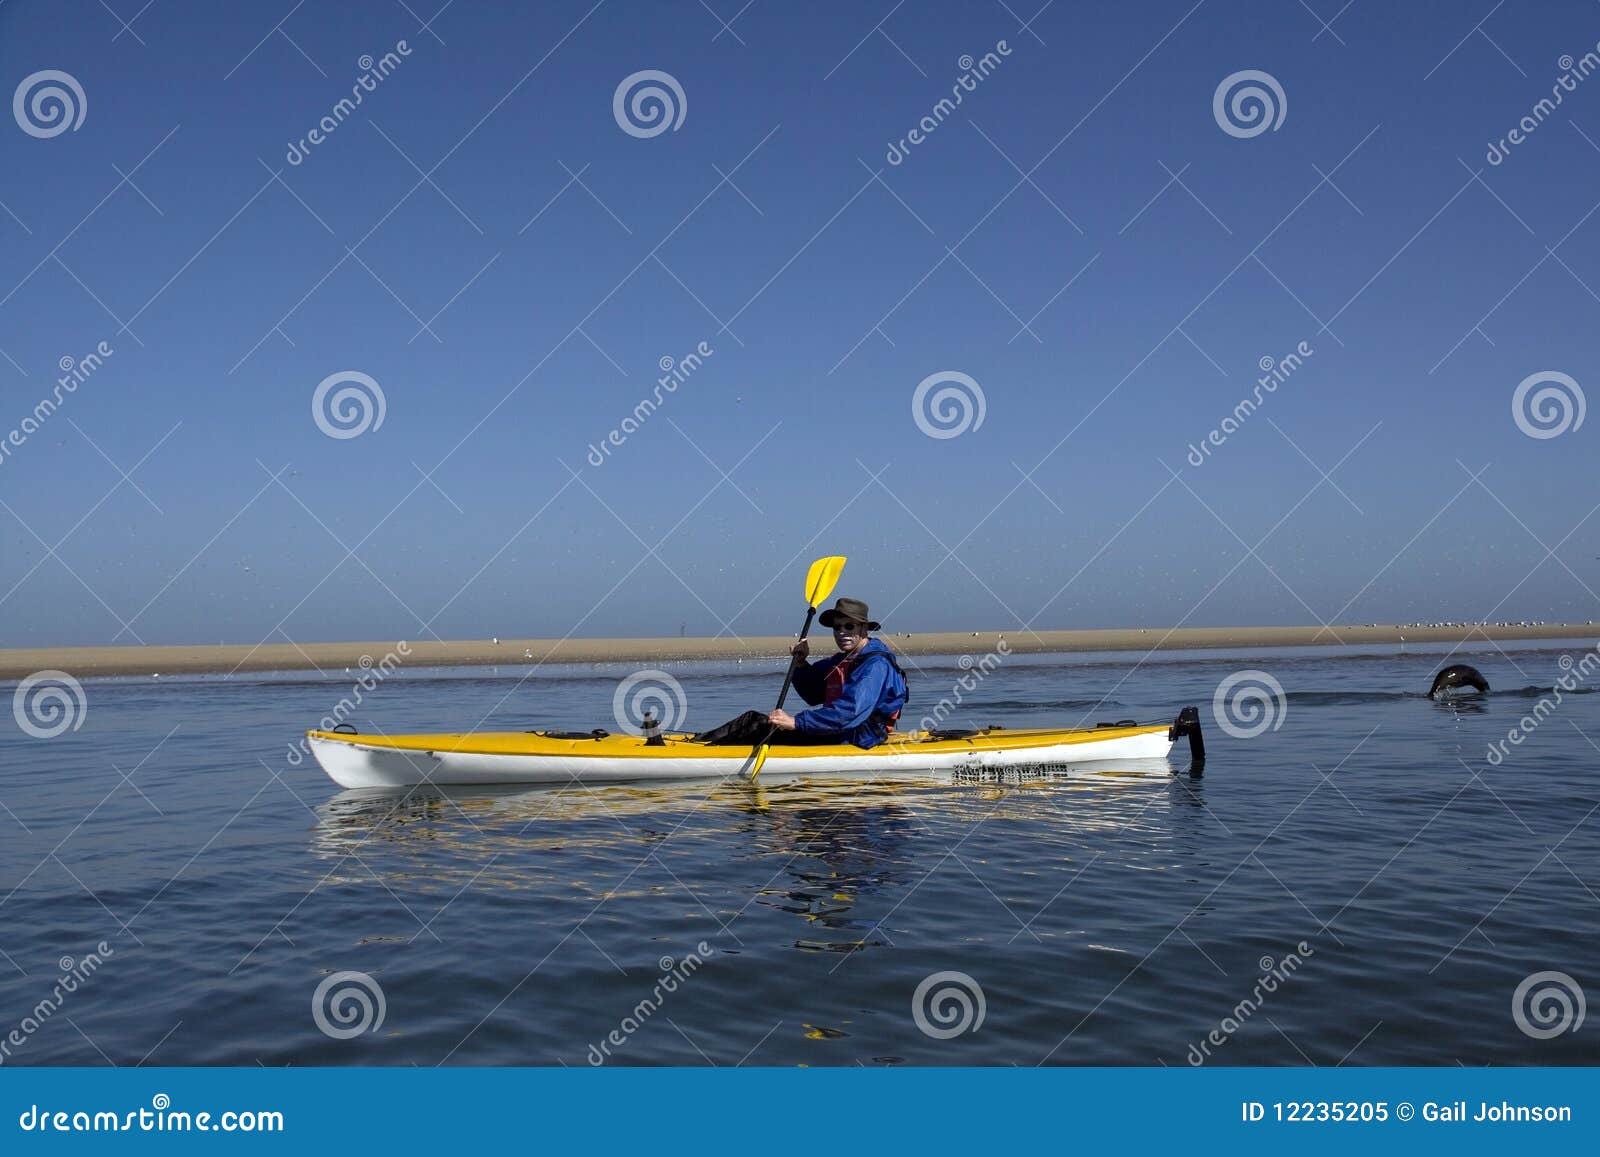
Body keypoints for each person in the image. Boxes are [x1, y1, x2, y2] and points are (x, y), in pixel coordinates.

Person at [693, 598, 909, 748]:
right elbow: (812, 694)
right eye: (837, 627)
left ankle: (707, 751)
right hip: (840, 730)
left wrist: (795, 722)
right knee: (753, 720)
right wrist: (801, 663)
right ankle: (700, 743)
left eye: (849, 627)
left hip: (859, 737)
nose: (842, 632)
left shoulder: (875, 666)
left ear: (863, 629)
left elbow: (850, 713)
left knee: (758, 725)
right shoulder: (842, 660)